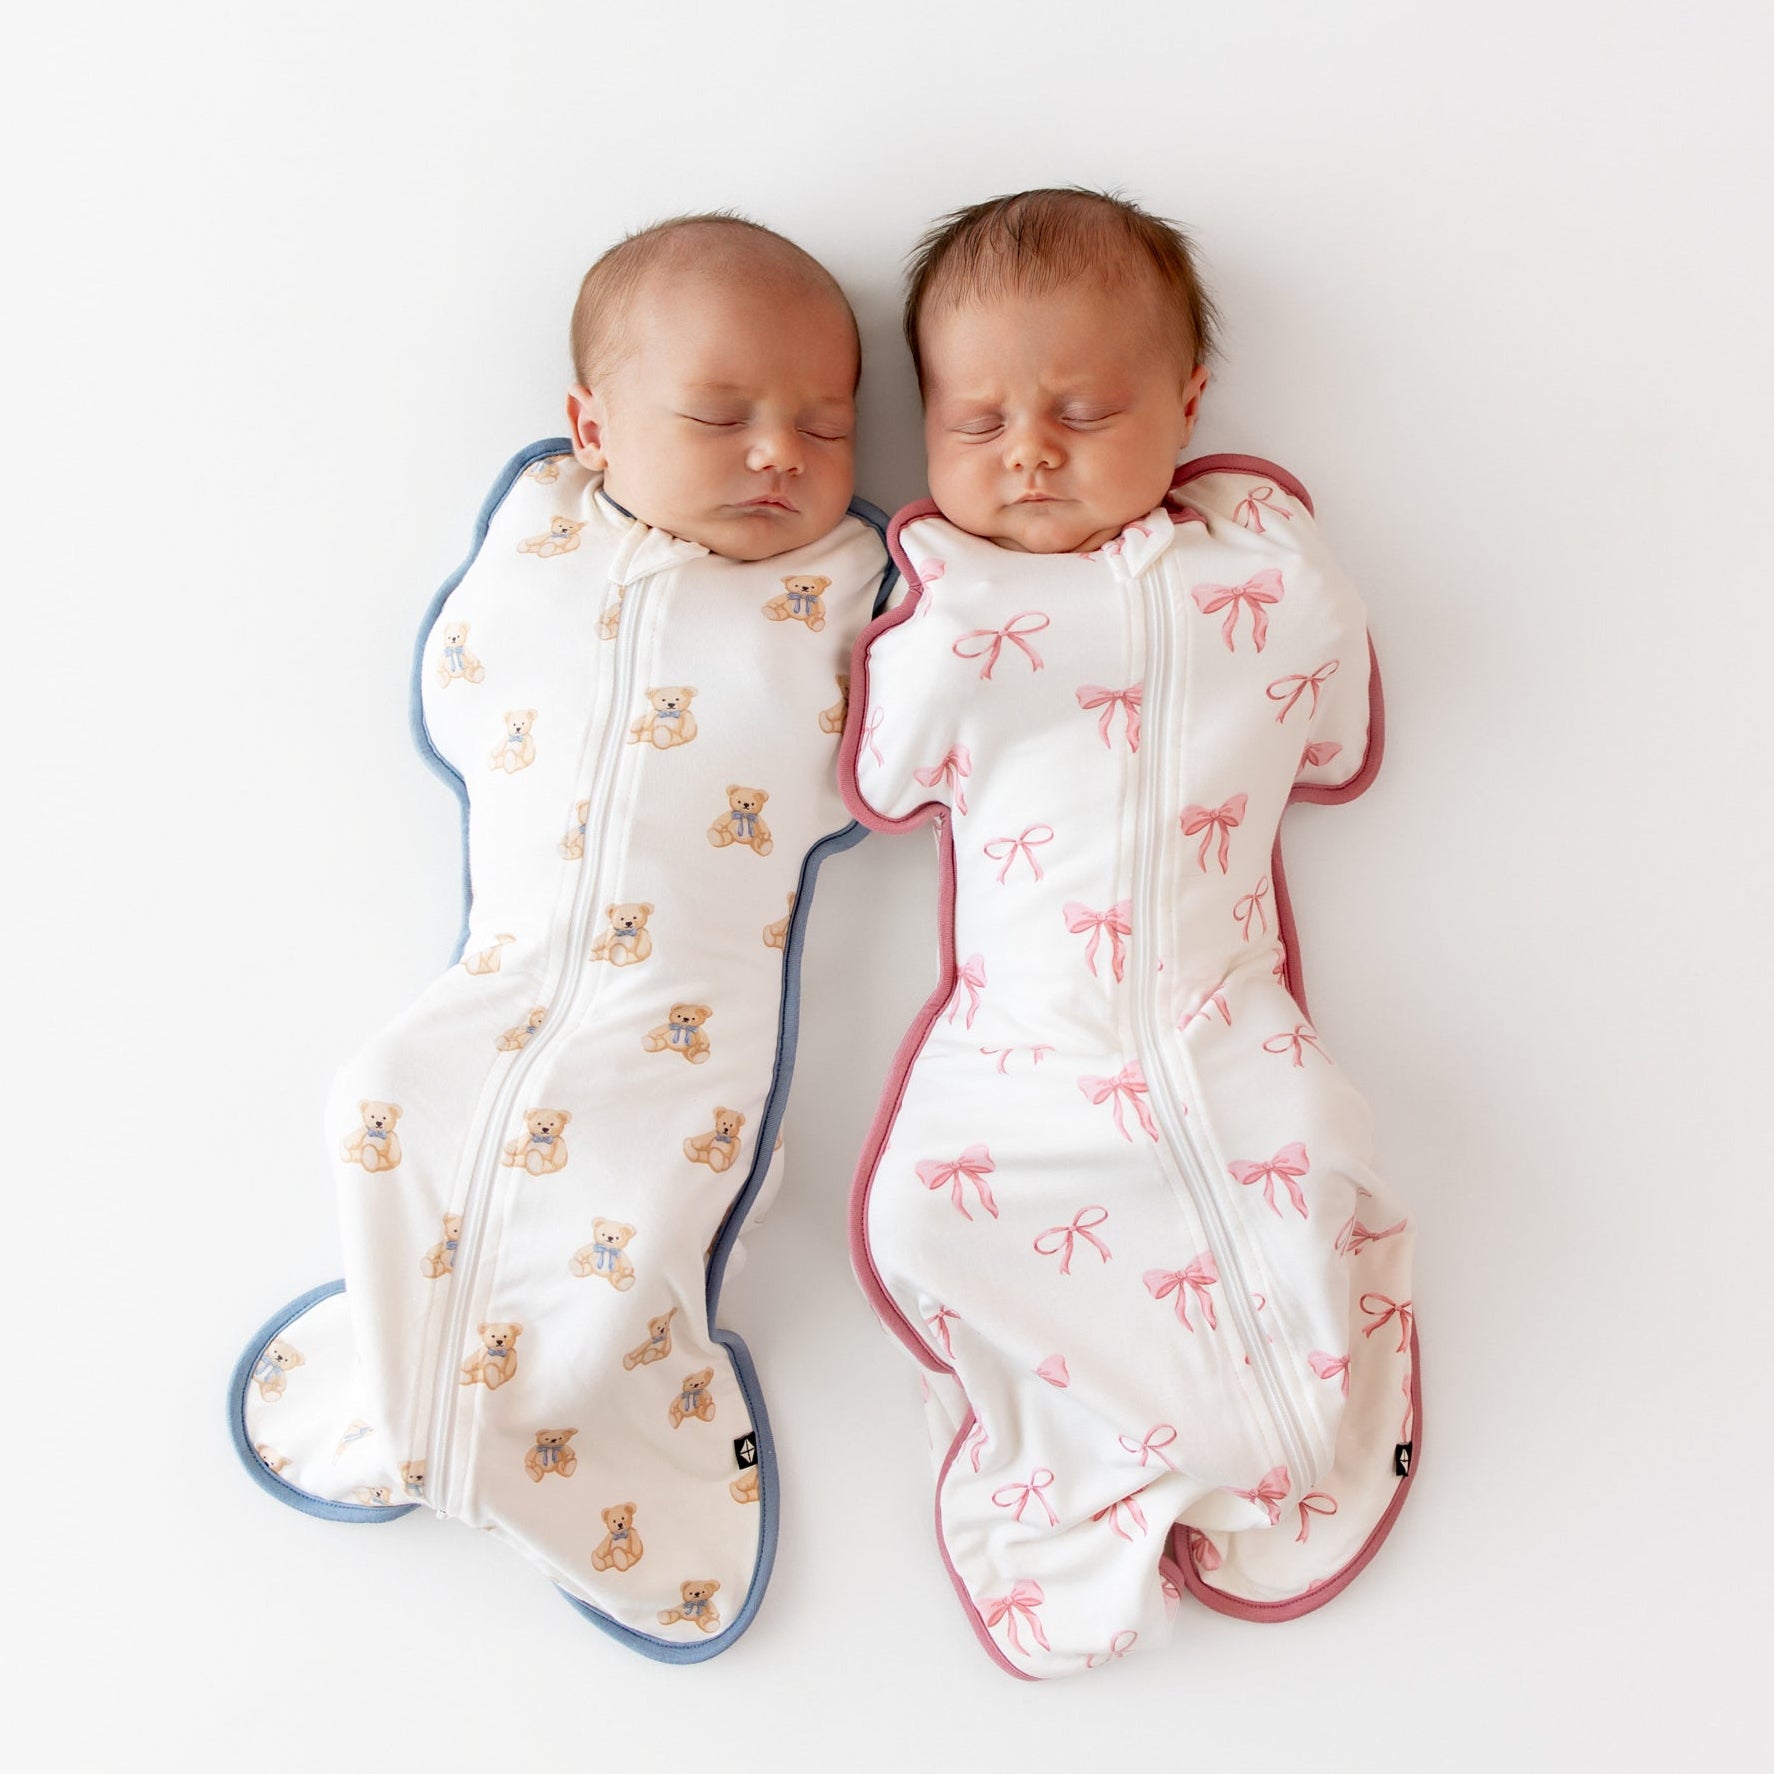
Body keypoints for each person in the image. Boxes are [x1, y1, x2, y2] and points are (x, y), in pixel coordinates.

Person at [230, 214, 890, 1663]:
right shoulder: (543, 533)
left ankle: (586, 1433)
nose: (777, 452)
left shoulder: (847, 587)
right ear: (590, 429)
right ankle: (410, 1394)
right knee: (384, 1104)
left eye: (825, 422)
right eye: (721, 416)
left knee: (635, 1213)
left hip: (685, 1010)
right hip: (507, 970)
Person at [840, 188, 1420, 1678]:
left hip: (1218, 1011)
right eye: (975, 422)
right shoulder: (958, 616)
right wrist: (928, 623)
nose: (1027, 448)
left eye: (1082, 408)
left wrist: (1288, 571)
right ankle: (1068, 1467)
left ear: (1186, 403)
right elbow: (884, 773)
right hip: (1020, 1032)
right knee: (926, 1213)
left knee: (1310, 1149)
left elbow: (1337, 738)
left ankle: (1292, 1426)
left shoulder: (1266, 582)